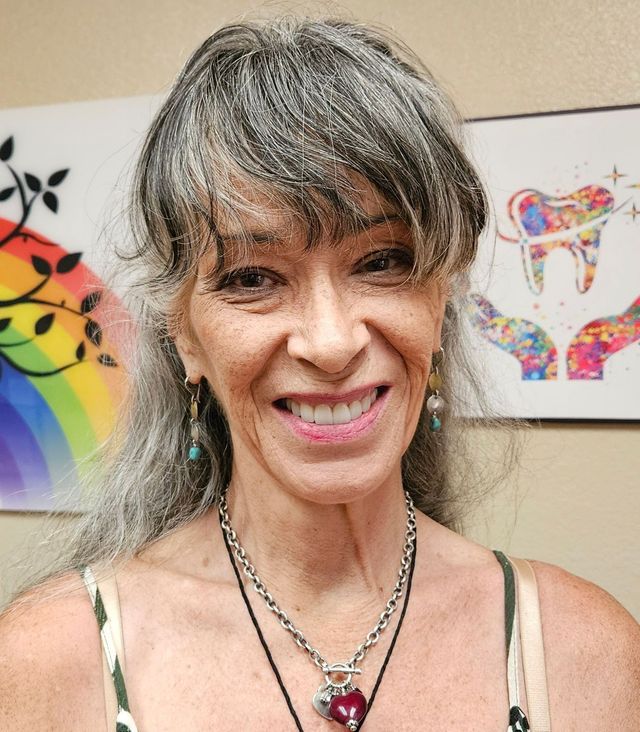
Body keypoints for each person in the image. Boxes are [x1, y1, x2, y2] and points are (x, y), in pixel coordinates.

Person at [1, 16, 638, 731]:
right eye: (252, 277)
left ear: (441, 301)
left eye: (382, 261)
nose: (331, 344)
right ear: (184, 337)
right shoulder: (51, 661)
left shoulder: (582, 653)